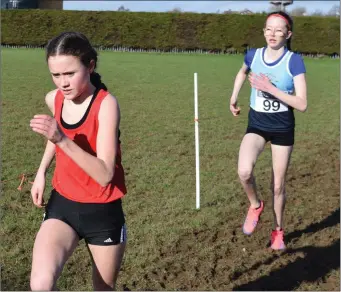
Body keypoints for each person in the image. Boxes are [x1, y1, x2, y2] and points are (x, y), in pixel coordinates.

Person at [29, 31, 127, 290]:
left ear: (90, 65)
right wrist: (41, 172)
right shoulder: (55, 99)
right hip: (63, 205)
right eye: (56, 75)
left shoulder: (106, 105)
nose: (63, 83)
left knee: (103, 289)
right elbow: (55, 135)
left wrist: (61, 138)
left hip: (102, 212)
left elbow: (105, 174)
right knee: (41, 284)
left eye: (70, 73)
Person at [229, 11, 307, 250]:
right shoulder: (253, 55)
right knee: (244, 171)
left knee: (278, 185)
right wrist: (233, 97)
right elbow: (242, 71)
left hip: (283, 128)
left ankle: (278, 231)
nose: (272, 34)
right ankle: (255, 205)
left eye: (278, 30)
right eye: (268, 29)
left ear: (288, 34)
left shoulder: (294, 61)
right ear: (263, 31)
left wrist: (270, 88)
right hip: (257, 125)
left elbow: (302, 104)